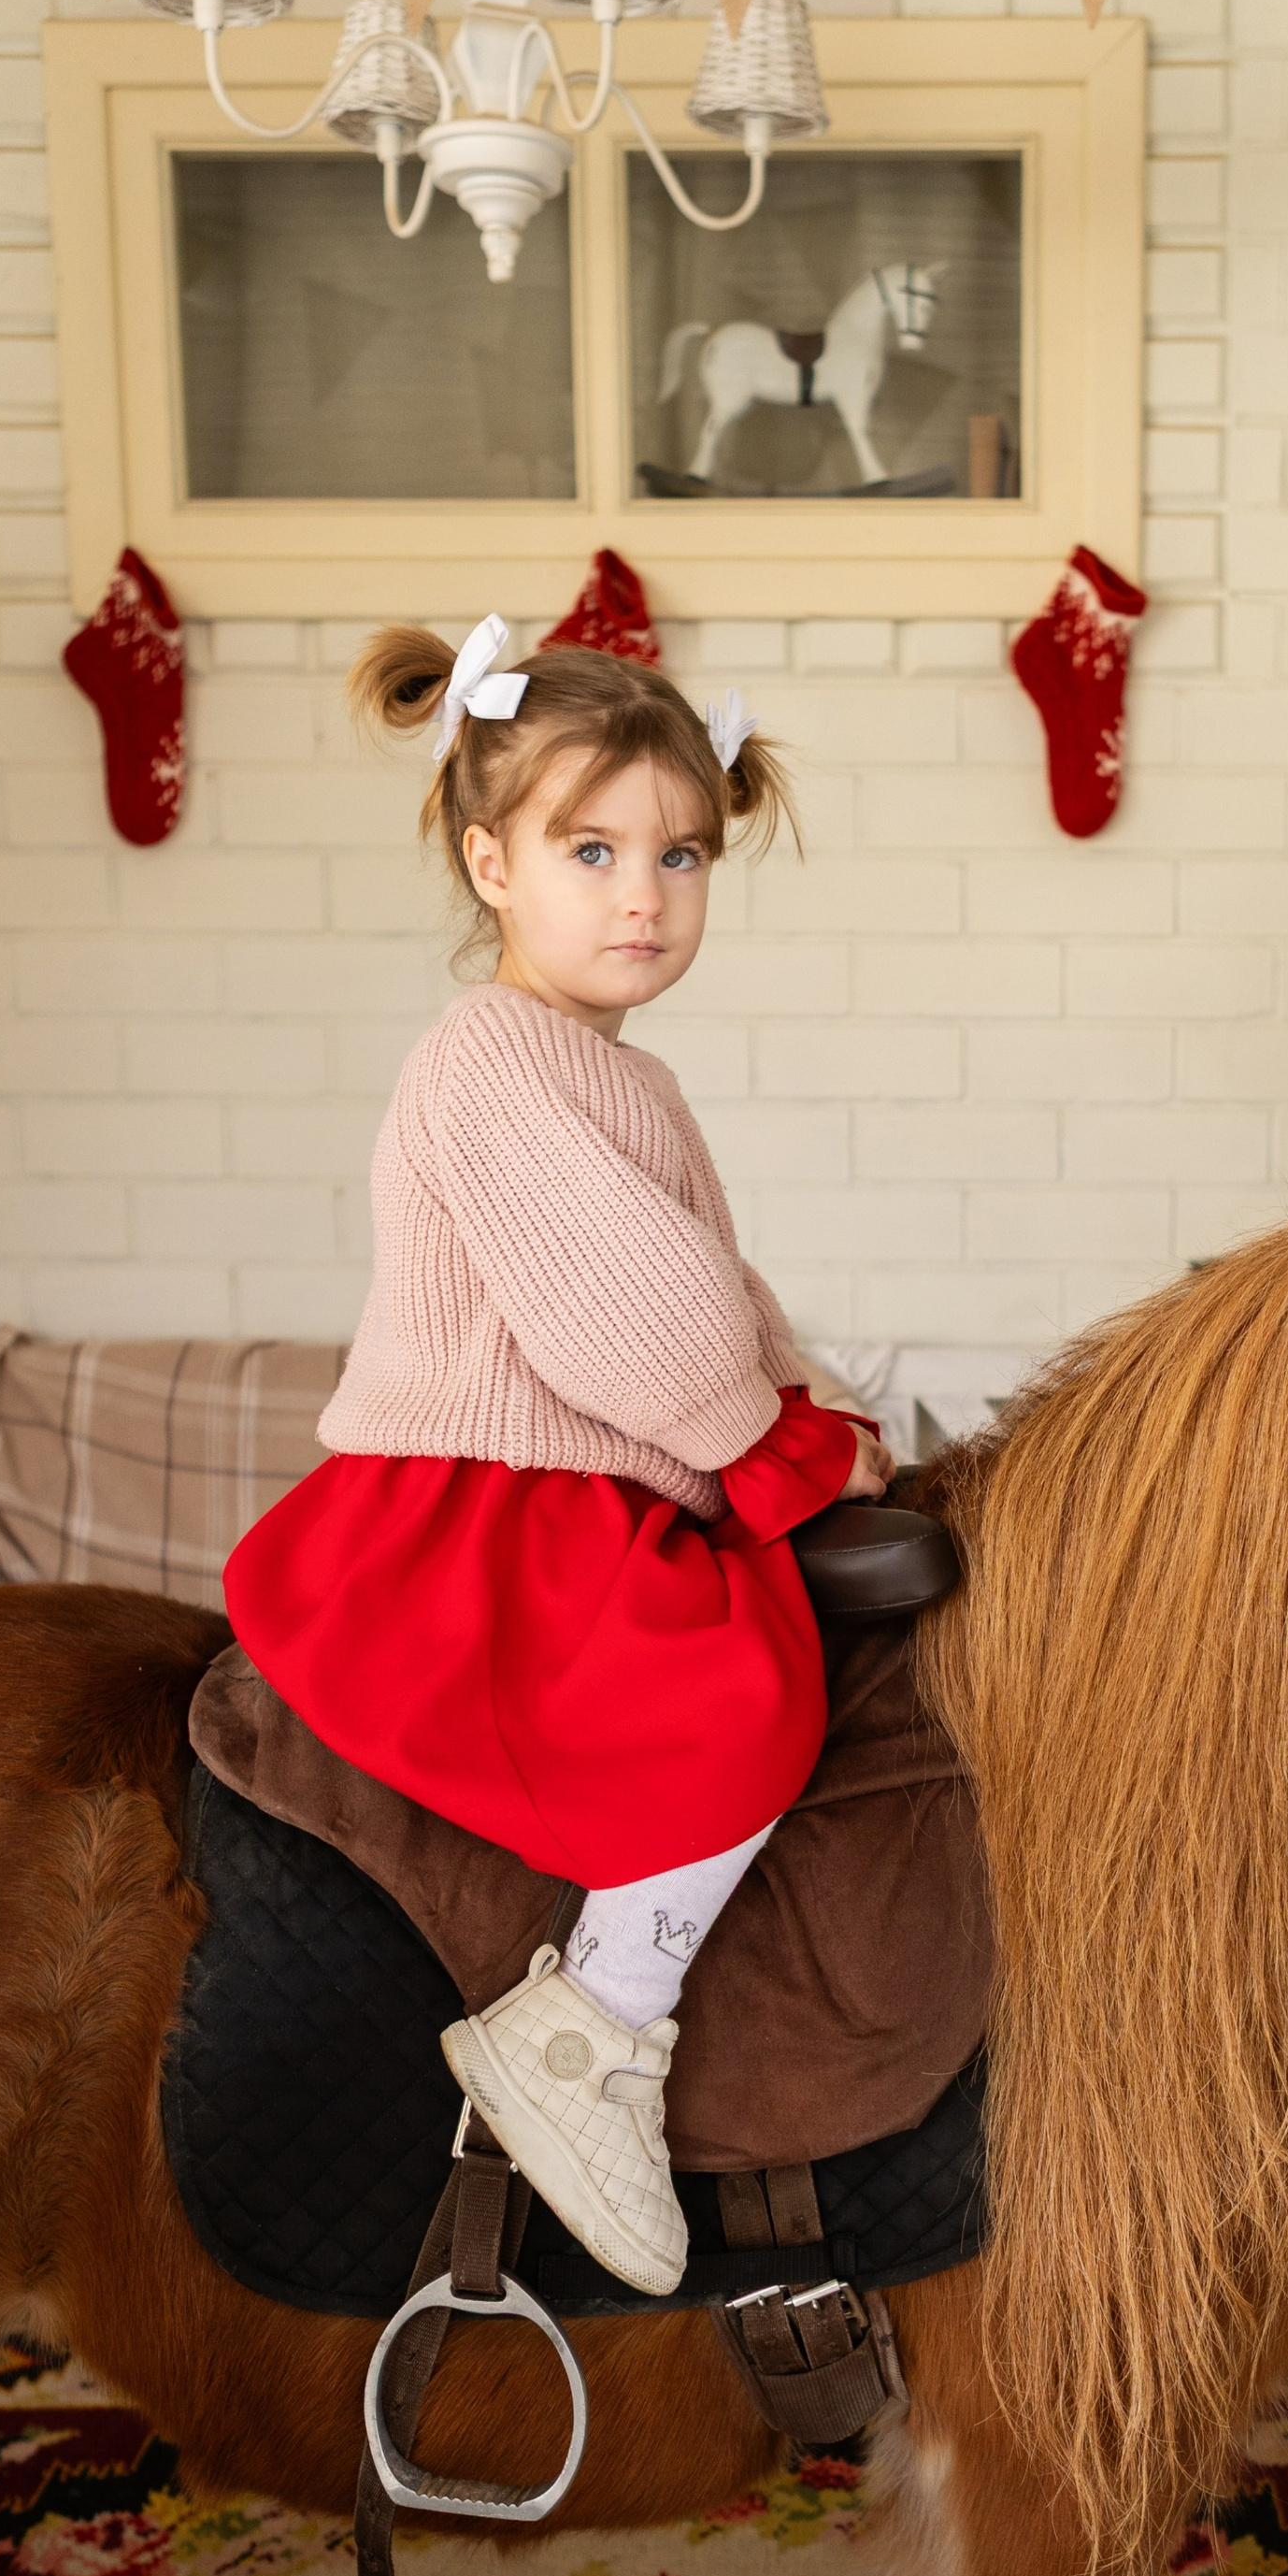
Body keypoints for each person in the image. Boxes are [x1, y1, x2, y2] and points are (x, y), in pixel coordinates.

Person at [222, 615, 893, 2297]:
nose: (642, 894)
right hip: (479, 1512)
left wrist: (822, 1417)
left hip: (572, 1491)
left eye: (678, 855)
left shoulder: (616, 1072)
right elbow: (637, 1320)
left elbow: (721, 1287)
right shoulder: (490, 1060)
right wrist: (763, 1441)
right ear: (489, 862)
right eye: (590, 851)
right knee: (733, 1694)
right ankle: (596, 2021)